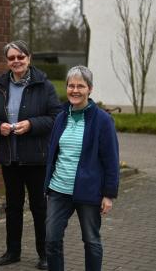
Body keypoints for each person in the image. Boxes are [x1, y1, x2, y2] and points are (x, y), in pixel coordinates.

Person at [0, 40, 61, 270]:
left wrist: (31, 124)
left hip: (36, 157)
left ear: (29, 58)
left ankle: (45, 254)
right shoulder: (0, 85)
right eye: (11, 58)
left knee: (40, 207)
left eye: (20, 56)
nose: (16, 61)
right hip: (10, 157)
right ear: (7, 62)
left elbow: (56, 117)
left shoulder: (44, 85)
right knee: (13, 206)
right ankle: (13, 251)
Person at [44, 66, 119, 271]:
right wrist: (48, 186)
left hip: (89, 191)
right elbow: (54, 153)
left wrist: (109, 194)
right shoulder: (61, 117)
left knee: (91, 241)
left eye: (80, 86)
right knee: (51, 240)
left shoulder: (103, 120)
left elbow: (111, 159)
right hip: (59, 190)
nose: (74, 90)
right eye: (71, 85)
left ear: (90, 89)